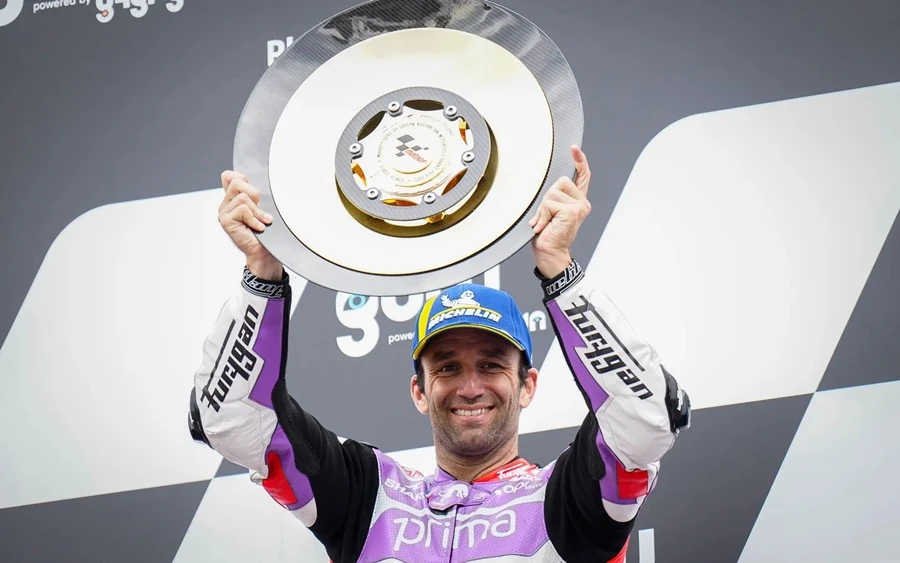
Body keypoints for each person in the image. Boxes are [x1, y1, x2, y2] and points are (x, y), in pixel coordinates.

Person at [188, 146, 691, 563]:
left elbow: (646, 416)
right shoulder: (368, 497)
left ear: (528, 385)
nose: (470, 386)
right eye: (448, 367)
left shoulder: (568, 500)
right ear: (420, 391)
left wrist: (559, 268)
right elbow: (233, 418)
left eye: (491, 364)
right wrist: (262, 271)